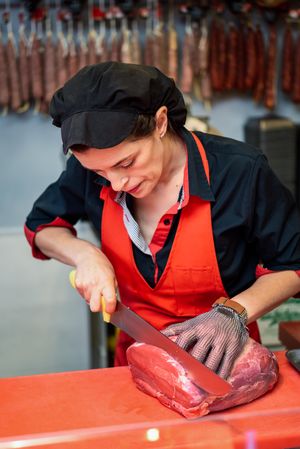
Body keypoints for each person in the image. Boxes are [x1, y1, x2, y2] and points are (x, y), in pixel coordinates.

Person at [25, 62, 300, 379]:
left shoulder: (239, 171)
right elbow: (41, 225)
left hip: (226, 362)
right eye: (99, 173)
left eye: (127, 163)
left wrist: (233, 313)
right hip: (135, 360)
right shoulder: (91, 173)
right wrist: (86, 255)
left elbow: (291, 265)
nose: (116, 184)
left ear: (160, 122)